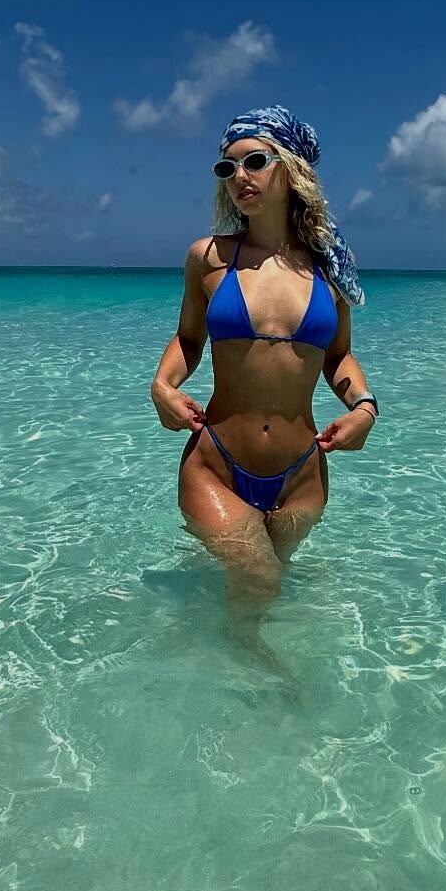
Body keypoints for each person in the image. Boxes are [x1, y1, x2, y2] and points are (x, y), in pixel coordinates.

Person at [149, 104, 378, 622]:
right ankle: (255, 668)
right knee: (259, 579)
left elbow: (338, 355)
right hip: (216, 465)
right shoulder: (208, 257)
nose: (239, 177)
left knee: (262, 586)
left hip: (302, 478)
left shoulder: (329, 267)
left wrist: (364, 408)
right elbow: (189, 339)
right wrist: (162, 387)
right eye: (226, 167)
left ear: (291, 168)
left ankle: (217, 648)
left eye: (254, 161)